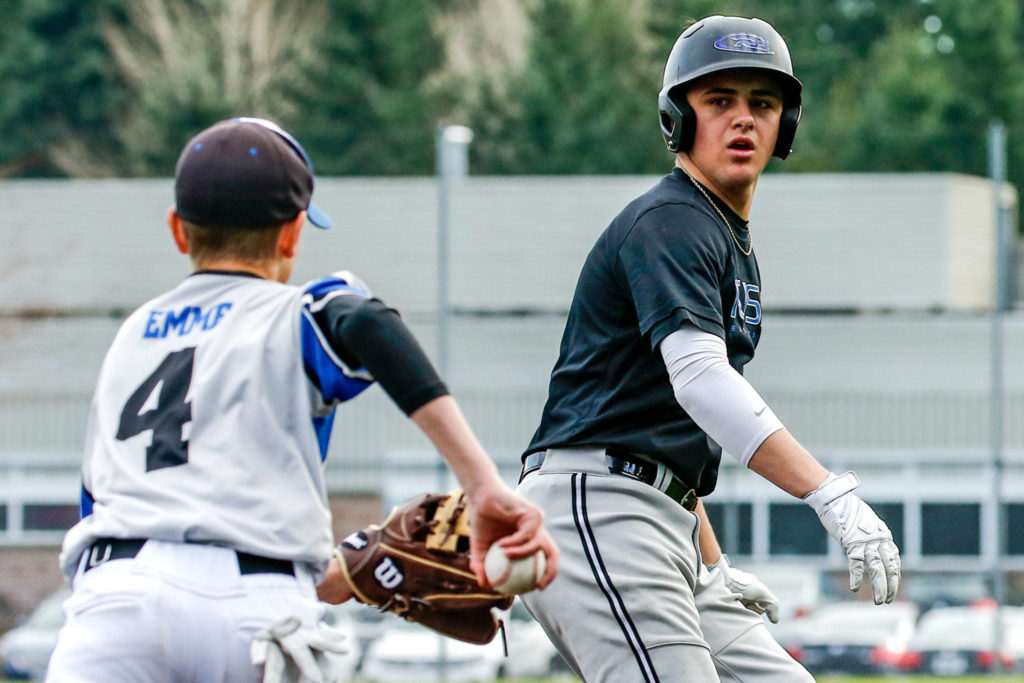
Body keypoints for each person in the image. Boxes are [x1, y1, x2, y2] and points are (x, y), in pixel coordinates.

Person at [47, 117, 558, 682]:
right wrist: (482, 485)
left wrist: (347, 573)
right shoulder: (292, 314)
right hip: (253, 610)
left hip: (113, 601)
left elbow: (107, 508)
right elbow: (366, 323)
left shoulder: (131, 336)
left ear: (177, 229)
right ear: (292, 233)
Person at [516, 15, 900, 682]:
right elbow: (700, 382)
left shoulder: (721, 234)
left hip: (656, 518)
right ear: (677, 119)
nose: (743, 119)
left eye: (763, 102)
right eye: (719, 101)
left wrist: (714, 566)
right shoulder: (674, 221)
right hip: (599, 511)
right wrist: (829, 494)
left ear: (788, 125)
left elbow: (675, 433)